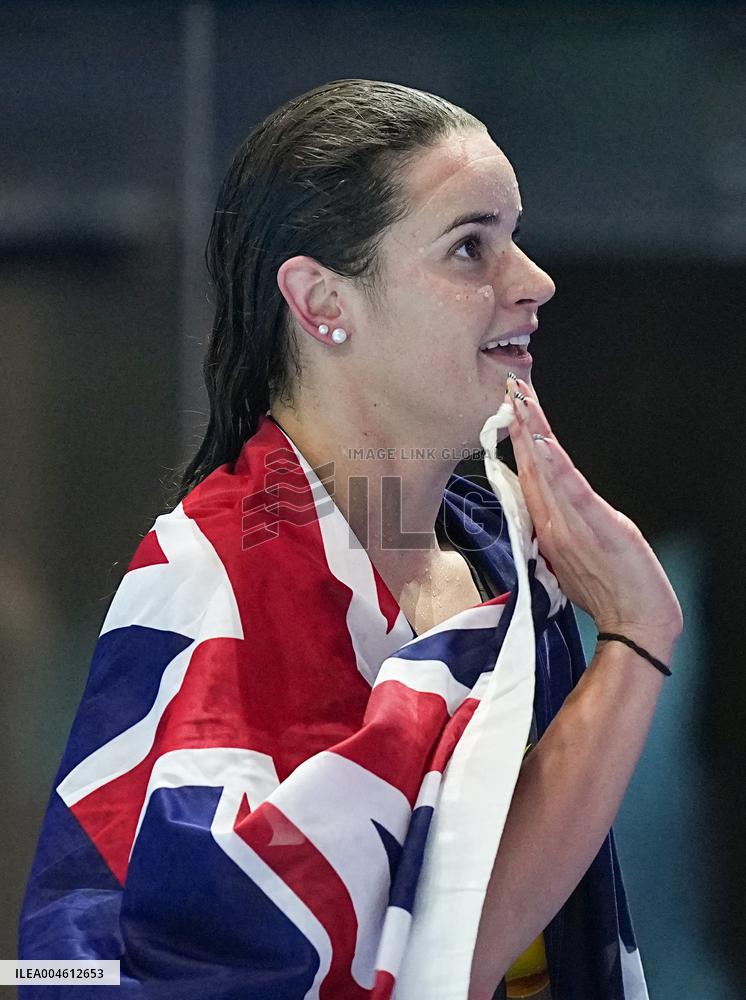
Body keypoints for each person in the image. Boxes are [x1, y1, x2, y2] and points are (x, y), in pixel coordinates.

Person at [19, 79, 682, 1000]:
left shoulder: (506, 554)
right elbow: (395, 972)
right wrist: (637, 640)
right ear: (323, 299)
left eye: (514, 237)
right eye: (471, 246)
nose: (535, 281)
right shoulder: (218, 574)